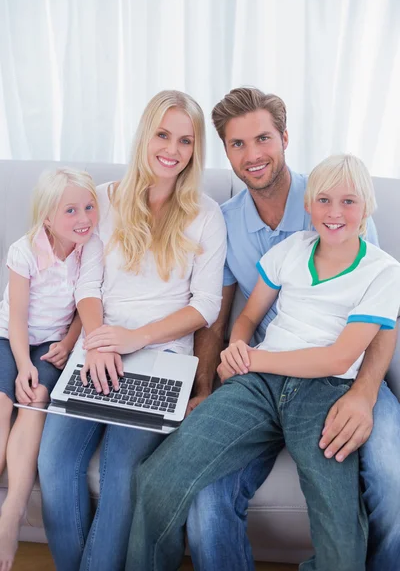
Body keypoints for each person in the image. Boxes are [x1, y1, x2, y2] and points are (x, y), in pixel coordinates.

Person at [128, 88, 400, 571]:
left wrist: (363, 392)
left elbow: (376, 327)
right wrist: (211, 380)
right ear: (225, 152)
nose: (253, 155)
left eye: (263, 139)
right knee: (197, 500)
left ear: (284, 139)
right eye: (238, 144)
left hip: (341, 379)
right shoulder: (231, 224)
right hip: (257, 374)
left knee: (388, 477)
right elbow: (225, 312)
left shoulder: (338, 207)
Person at [37, 90, 227, 571]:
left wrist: (135, 339)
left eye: (185, 140)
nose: (173, 149)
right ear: (145, 135)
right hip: (98, 347)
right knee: (55, 468)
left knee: (123, 474)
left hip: (162, 358)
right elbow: (89, 282)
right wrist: (99, 340)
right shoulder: (101, 198)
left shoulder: (206, 214)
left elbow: (205, 306)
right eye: (163, 134)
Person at [0, 167, 98, 571]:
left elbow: (86, 305)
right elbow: (18, 320)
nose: (84, 218)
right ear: (47, 219)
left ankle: (13, 511)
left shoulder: (90, 249)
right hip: (12, 339)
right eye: (71, 210)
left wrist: (70, 342)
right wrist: (22, 365)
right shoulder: (24, 251)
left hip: (54, 347)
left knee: (37, 398)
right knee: (4, 401)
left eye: (89, 207)